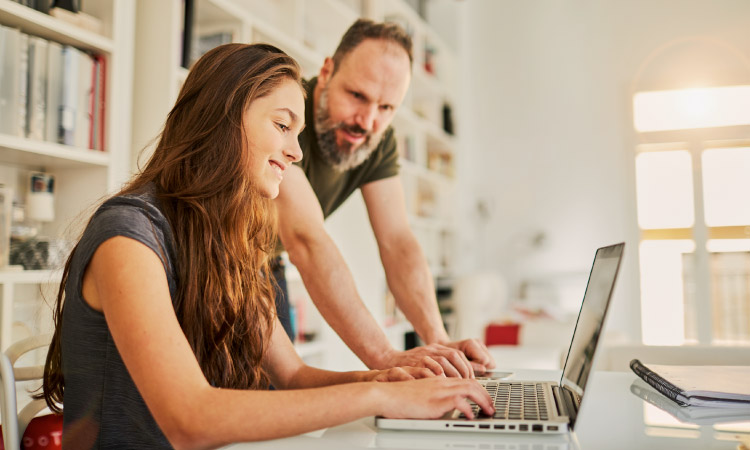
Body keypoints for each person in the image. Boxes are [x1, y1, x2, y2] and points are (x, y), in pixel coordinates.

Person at [39, 43, 494, 448]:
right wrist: (380, 394)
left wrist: (389, 377)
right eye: (282, 126)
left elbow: (292, 376)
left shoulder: (232, 241)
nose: (296, 153)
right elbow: (189, 420)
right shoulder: (129, 235)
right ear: (222, 118)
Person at [274, 19, 496, 378]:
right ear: (327, 71)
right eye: (357, 96)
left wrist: (438, 340)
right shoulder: (285, 112)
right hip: (201, 253)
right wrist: (385, 356)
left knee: (271, 404)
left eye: (386, 108)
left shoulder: (379, 141)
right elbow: (305, 240)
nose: (367, 121)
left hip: (265, 265)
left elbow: (397, 241)